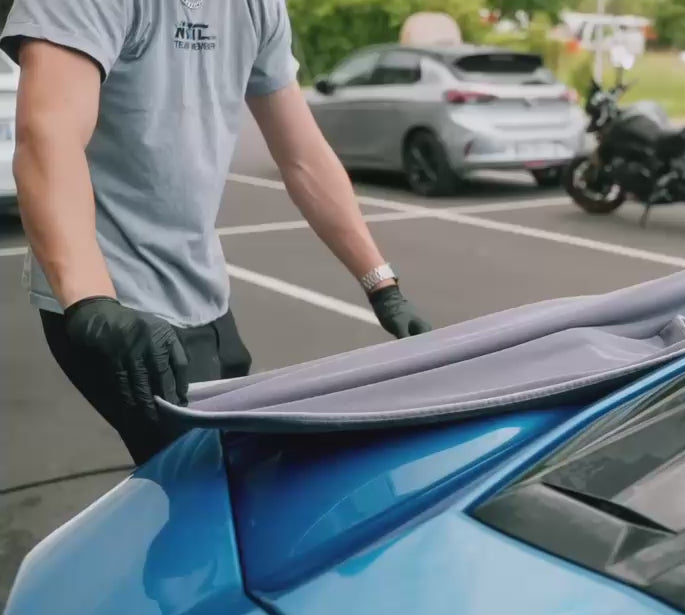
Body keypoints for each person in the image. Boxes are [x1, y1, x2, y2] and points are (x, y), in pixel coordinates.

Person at [1, 0, 432, 466]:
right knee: (211, 472)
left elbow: (303, 155)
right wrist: (91, 301)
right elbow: (49, 137)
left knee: (242, 459)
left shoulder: (256, 7)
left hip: (202, 290)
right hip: (116, 302)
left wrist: (381, 285)